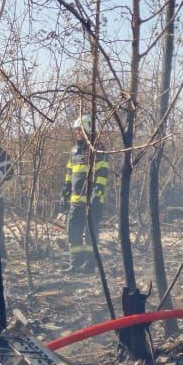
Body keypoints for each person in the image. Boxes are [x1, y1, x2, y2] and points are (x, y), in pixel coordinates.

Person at [61, 116, 109, 272]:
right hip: (76, 202)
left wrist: (97, 192)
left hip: (93, 202)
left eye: (80, 130)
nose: (78, 133)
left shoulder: (98, 149)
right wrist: (65, 189)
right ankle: (75, 264)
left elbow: (102, 173)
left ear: (88, 130)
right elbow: (69, 172)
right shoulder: (74, 151)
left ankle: (89, 265)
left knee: (90, 234)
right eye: (76, 130)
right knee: (73, 231)